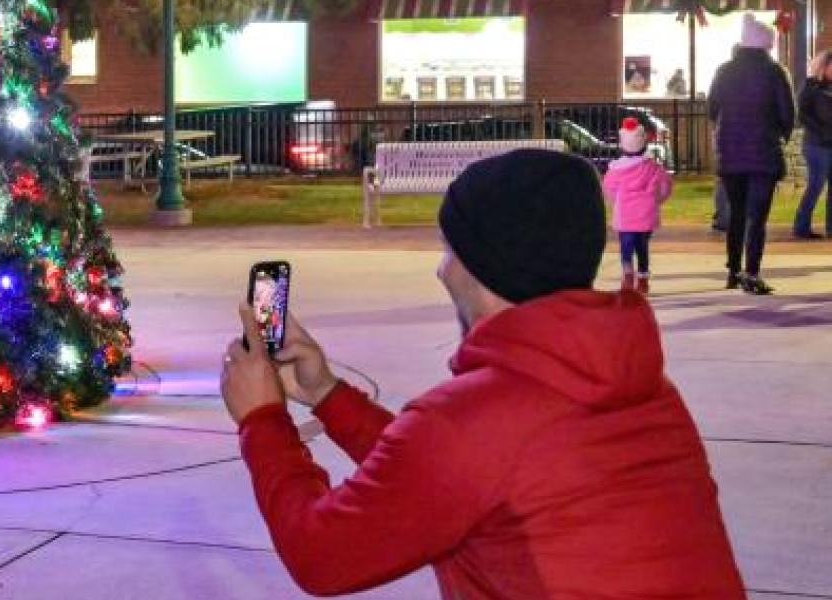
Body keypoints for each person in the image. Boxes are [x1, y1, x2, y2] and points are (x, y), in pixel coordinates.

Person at [219, 149, 745, 598]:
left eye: (450, 249)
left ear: (481, 263)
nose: (441, 268)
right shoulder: (639, 387)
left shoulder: (473, 420)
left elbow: (322, 555)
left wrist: (263, 421)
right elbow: (459, 478)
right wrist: (328, 395)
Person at [709, 14, 793, 295]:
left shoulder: (724, 71)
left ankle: (733, 270)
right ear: (765, 45)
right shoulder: (774, 72)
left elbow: (712, 109)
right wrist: (780, 134)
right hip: (763, 154)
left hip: (731, 153)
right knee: (757, 218)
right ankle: (752, 273)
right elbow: (786, 113)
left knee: (736, 214)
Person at [604, 117, 674, 293]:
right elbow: (665, 187)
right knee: (642, 247)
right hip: (646, 215)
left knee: (626, 246)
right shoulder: (653, 168)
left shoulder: (616, 170)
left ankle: (628, 274)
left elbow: (609, 189)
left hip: (625, 217)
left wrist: (618, 202)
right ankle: (643, 278)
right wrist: (656, 201)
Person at [795, 50, 832, 239]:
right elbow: (802, 115)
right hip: (816, 145)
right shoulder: (811, 88)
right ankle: (801, 227)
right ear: (823, 66)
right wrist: (820, 130)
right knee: (816, 185)